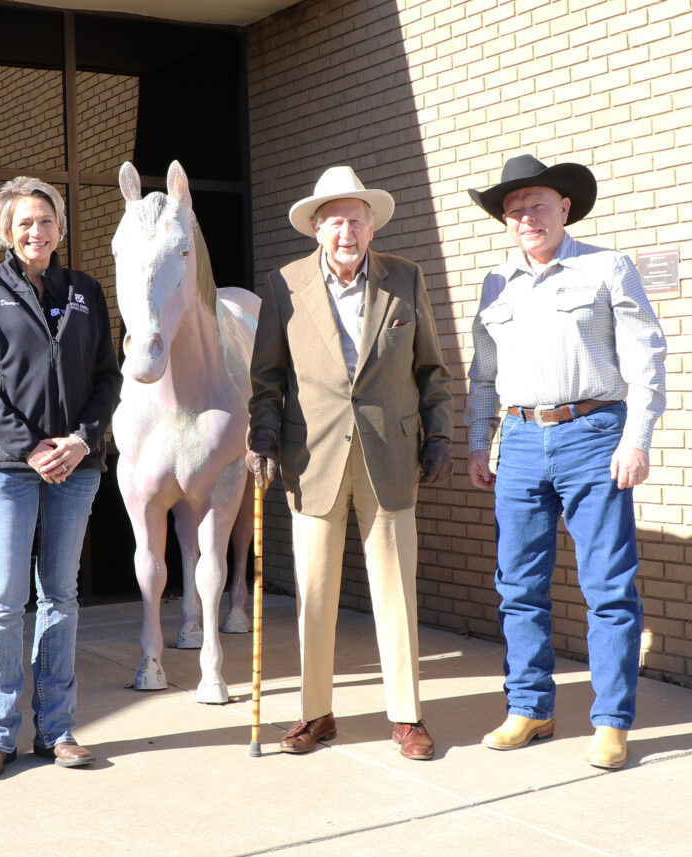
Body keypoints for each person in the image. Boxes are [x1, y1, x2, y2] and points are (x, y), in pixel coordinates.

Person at [465, 155, 667, 770]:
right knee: (518, 588)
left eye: (537, 204)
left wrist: (637, 438)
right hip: (521, 442)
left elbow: (646, 355)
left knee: (608, 587)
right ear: (506, 220)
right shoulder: (496, 284)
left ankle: (610, 721)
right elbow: (484, 373)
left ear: (565, 208)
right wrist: (480, 441)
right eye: (514, 208)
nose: (526, 216)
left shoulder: (607, 267)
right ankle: (530, 708)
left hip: (593, 435)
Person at [246, 166, 454, 761]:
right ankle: (316, 714)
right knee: (314, 591)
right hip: (311, 458)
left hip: (391, 454)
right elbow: (267, 378)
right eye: (335, 220)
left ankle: (407, 716)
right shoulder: (283, 285)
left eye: (356, 219)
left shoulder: (405, 279)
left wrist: (439, 435)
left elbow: (431, 370)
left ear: (371, 225)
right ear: (316, 227)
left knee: (396, 591)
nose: (347, 231)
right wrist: (261, 432)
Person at [0, 177, 122, 779]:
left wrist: (80, 440)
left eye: (46, 220)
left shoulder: (85, 291)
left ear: (61, 228)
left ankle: (56, 730)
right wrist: (31, 449)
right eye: (24, 222)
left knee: (60, 596)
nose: (36, 231)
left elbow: (108, 375)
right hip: (6, 468)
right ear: (5, 231)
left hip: (76, 466)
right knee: (4, 599)